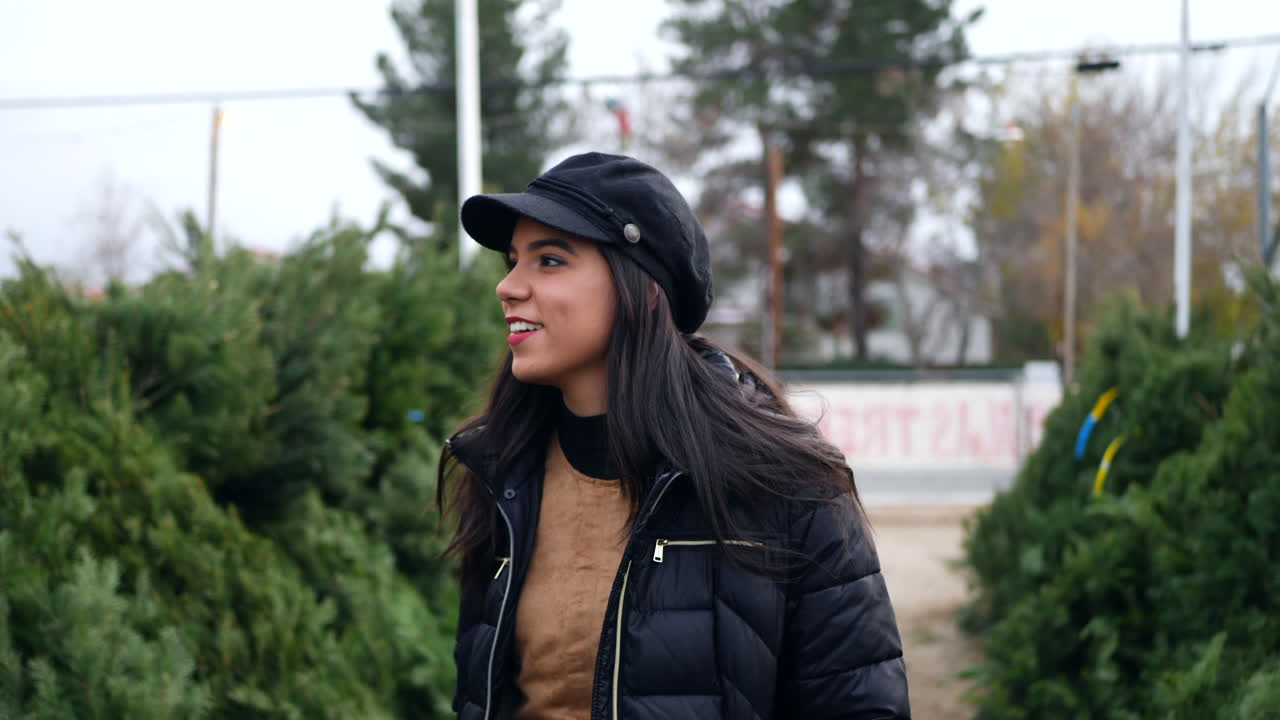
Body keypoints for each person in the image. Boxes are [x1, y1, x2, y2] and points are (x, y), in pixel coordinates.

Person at [439, 152, 909, 720]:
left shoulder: (784, 488)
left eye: (550, 261)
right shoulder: (500, 475)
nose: (508, 287)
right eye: (513, 261)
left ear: (645, 289)